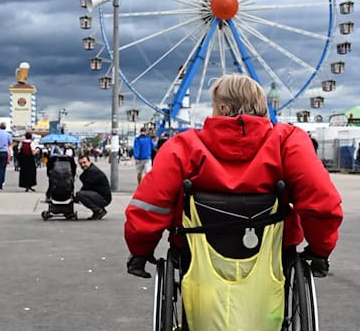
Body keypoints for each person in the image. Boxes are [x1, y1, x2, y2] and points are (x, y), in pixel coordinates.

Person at [124, 74, 341, 278]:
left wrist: (140, 250)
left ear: (223, 108)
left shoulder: (182, 146)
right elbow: (321, 201)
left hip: (195, 255)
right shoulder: (288, 141)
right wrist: (320, 249)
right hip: (273, 254)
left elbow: (149, 205)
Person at [76, 154, 112, 220]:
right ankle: (98, 210)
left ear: (89, 162)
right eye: (80, 164)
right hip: (100, 196)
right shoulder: (89, 171)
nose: (83, 165)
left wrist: (76, 198)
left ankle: (98, 211)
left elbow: (86, 187)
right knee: (80, 194)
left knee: (80, 194)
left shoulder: (93, 172)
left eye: (84, 162)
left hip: (104, 199)